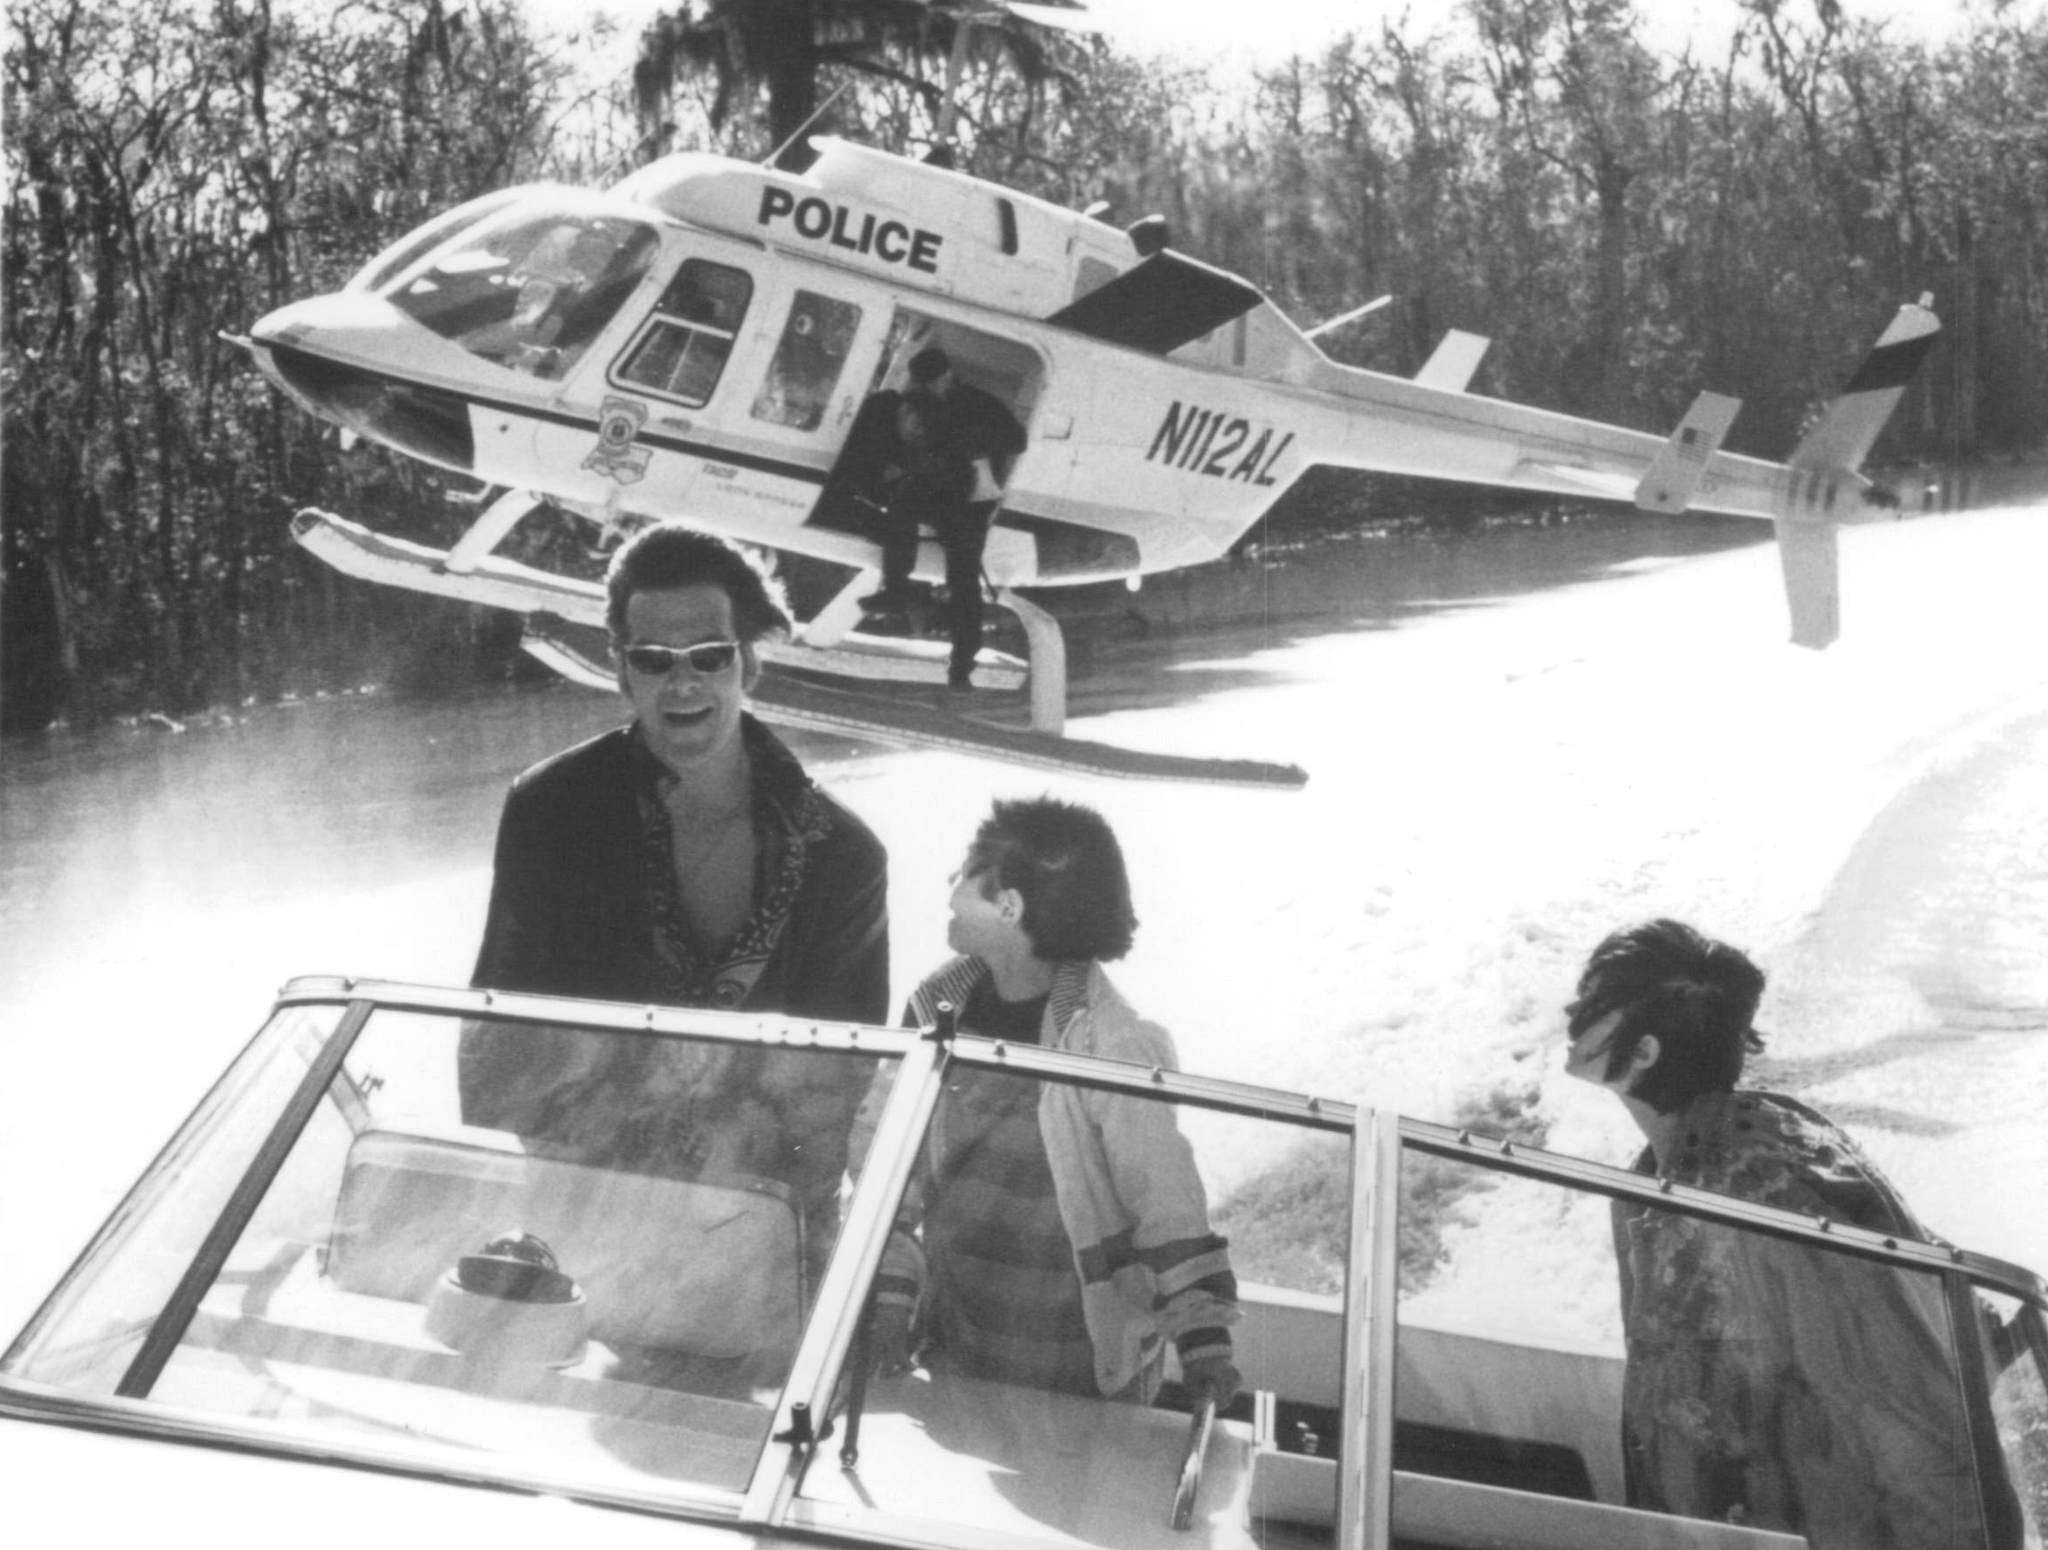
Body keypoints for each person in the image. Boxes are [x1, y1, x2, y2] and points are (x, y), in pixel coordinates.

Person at [461, 524, 889, 1285]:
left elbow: (837, 1093)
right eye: (653, 659)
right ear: (621, 671)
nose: (681, 682)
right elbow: (499, 1050)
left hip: (761, 1233)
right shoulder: (549, 811)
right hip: (585, 1224)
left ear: (749, 662)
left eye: (709, 656)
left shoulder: (844, 857)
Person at [1564, 919, 2020, 1549]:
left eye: (1591, 1002)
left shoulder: (1758, 1196)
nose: (1570, 1011)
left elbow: (1907, 1412)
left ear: (1643, 1053)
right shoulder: (1689, 1160)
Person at [873, 797, 1240, 1407]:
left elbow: (1166, 1202)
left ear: (1009, 907)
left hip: (1081, 1368)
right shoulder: (933, 1008)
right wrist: (890, 1302)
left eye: (964, 875)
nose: (949, 890)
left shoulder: (1112, 1042)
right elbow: (889, 1173)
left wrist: (1205, 1348)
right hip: (958, 1343)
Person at [868, 346, 1027, 690]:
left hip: (971, 500)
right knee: (900, 512)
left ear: (946, 376)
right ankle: (895, 589)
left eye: (931, 383)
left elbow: (1018, 440)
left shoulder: (979, 403)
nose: (928, 389)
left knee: (963, 577)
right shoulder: (920, 402)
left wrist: (969, 443)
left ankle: (962, 666)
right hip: (939, 488)